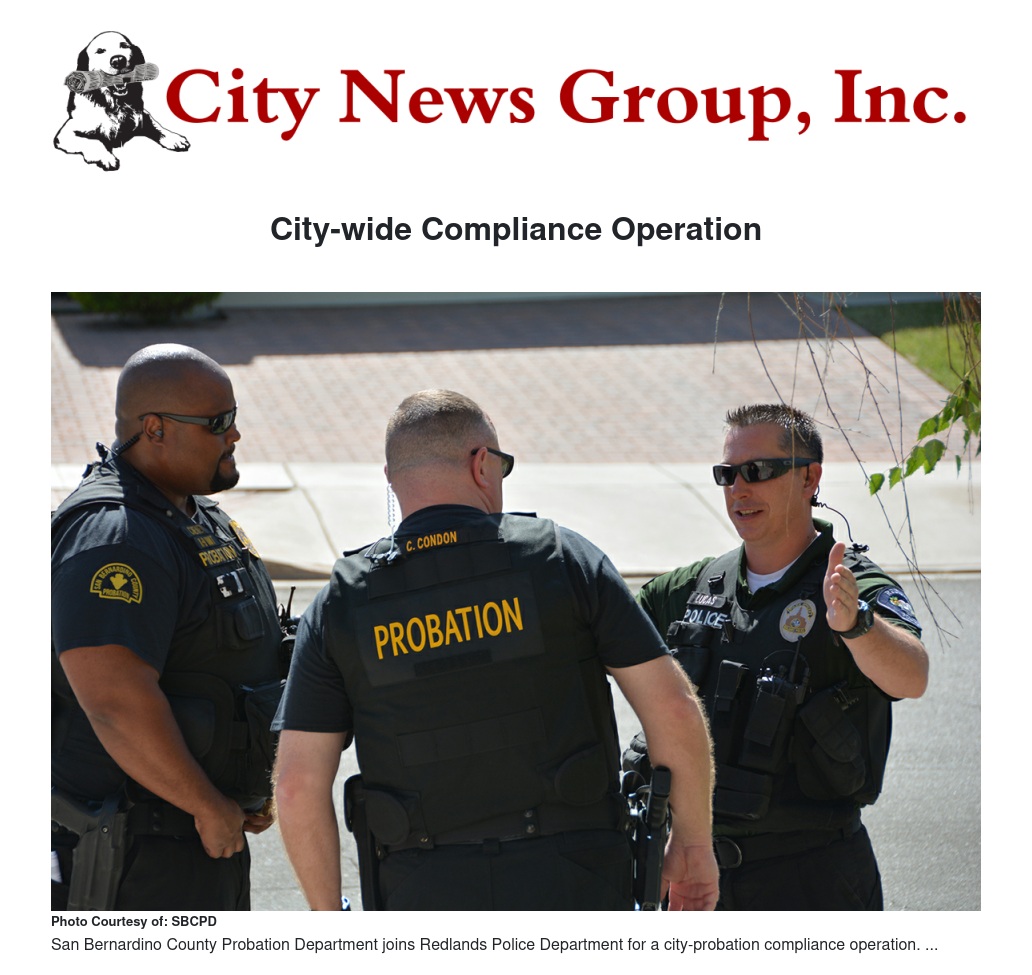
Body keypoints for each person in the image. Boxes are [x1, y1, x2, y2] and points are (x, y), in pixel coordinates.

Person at [273, 389, 719, 911]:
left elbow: (297, 785)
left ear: (392, 478)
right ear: (481, 463)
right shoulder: (562, 559)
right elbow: (673, 708)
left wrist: (329, 921)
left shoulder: (341, 602)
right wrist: (692, 844)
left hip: (421, 889)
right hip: (574, 879)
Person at [625, 403, 929, 911]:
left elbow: (912, 675)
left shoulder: (848, 582)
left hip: (812, 879)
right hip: (699, 877)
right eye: (727, 474)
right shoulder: (695, 586)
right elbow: (597, 636)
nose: (739, 489)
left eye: (759, 471)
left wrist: (856, 626)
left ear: (810, 478)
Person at [51, 344, 285, 910]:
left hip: (193, 832)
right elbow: (115, 702)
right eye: (218, 423)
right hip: (137, 853)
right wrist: (206, 803)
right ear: (154, 429)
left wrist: (240, 788)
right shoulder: (118, 537)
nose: (234, 435)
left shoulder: (191, 514)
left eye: (233, 418)